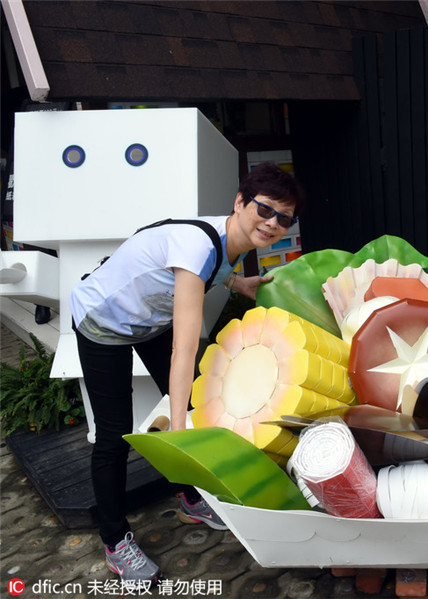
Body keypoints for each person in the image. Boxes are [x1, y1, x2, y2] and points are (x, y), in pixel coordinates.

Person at [69, 162, 305, 583]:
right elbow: (184, 348)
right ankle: (115, 540)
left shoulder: (228, 241)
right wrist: (179, 430)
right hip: (102, 321)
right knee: (113, 434)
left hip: (146, 320)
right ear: (240, 202)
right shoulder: (198, 245)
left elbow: (215, 267)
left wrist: (240, 284)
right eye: (265, 210)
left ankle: (191, 498)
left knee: (198, 398)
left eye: (283, 218)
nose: (272, 224)